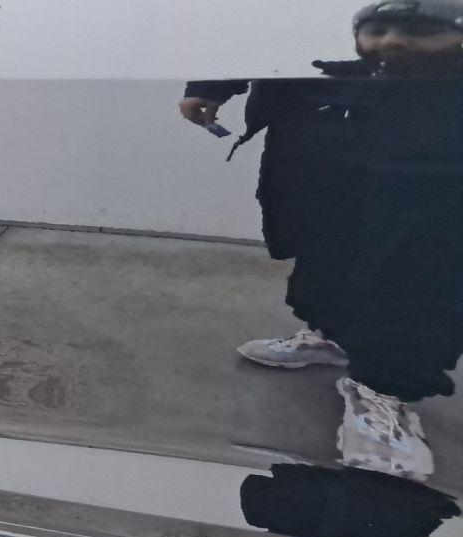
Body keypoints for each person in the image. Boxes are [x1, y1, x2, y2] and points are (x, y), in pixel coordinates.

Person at [180, 0, 463, 480]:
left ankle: (384, 391)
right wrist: (212, 85)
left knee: (415, 255)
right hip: (316, 108)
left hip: (427, 116)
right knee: (318, 231)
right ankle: (333, 334)